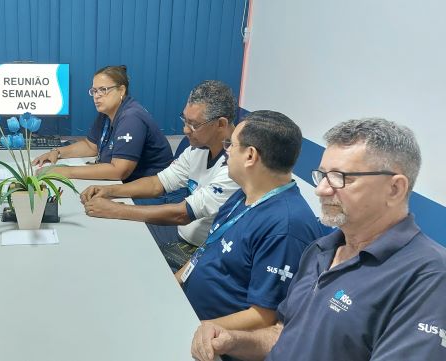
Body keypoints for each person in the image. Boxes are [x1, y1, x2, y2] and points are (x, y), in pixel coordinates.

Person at [191, 118, 446, 361]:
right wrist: (233, 341)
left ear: (394, 189)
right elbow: (282, 335)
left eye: (339, 178)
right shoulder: (320, 250)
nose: (321, 190)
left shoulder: (428, 276)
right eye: (322, 175)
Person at [176, 111, 324, 345]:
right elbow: (208, 248)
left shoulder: (286, 227)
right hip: (186, 310)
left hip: (213, 340)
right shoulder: (243, 194)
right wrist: (176, 283)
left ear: (251, 155)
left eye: (231, 144)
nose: (226, 151)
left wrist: (194, 328)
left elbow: (265, 317)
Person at [80, 80, 240, 270]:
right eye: (185, 120)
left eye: (194, 124)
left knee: (124, 255)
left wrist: (114, 210)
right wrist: (109, 191)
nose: (185, 130)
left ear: (220, 124)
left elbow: (182, 214)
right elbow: (159, 183)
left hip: (201, 250)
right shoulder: (198, 148)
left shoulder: (236, 167)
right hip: (181, 233)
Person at [32, 65, 173, 183]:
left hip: (151, 192)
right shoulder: (107, 113)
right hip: (127, 185)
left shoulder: (131, 117)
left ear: (122, 90)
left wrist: (64, 171)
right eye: (94, 91)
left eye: (103, 90)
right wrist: (57, 152)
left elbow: (119, 171)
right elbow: (91, 146)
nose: (97, 95)